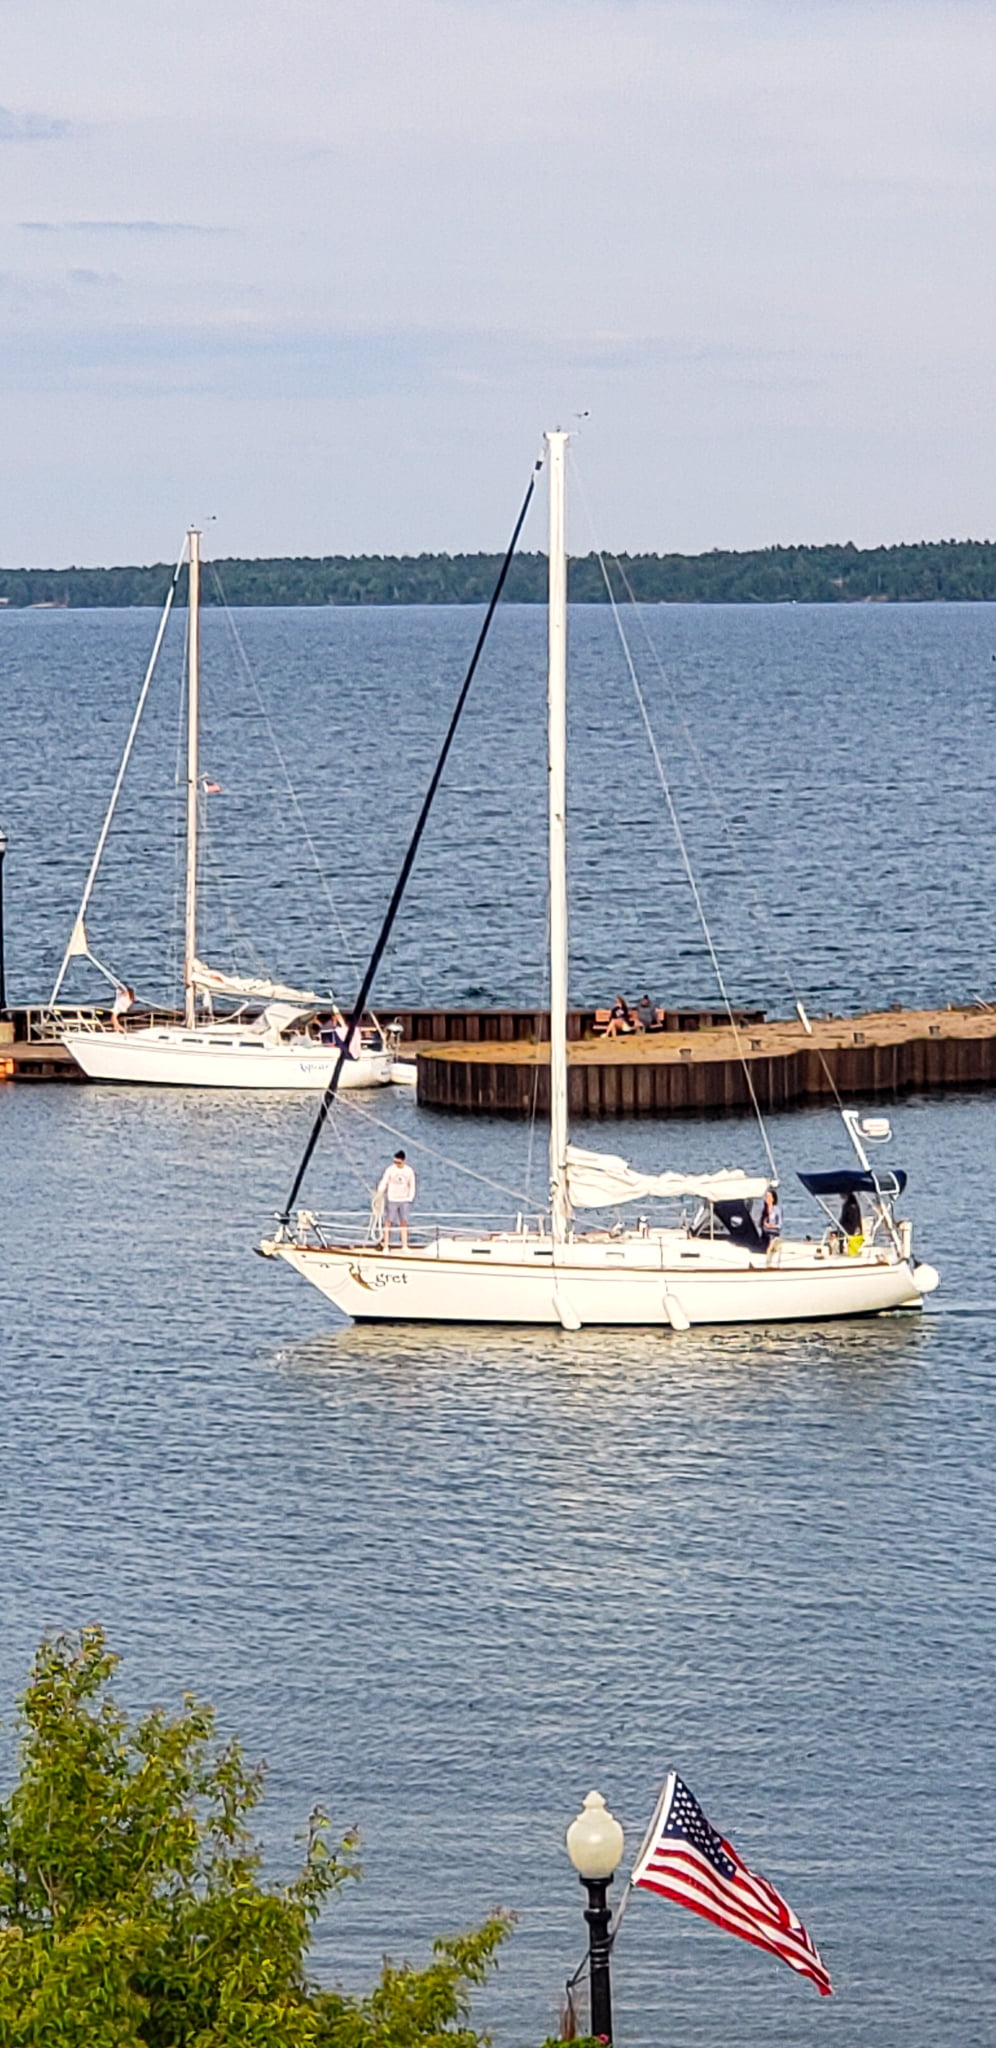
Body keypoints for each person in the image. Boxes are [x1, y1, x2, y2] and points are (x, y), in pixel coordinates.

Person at [378, 1148, 416, 1251]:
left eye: (398, 1162)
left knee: (403, 1222)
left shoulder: (409, 1171)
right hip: (392, 1199)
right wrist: (380, 1191)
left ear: (403, 1160)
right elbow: (385, 1181)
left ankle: (404, 1245)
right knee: (388, 1222)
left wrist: (410, 1198)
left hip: (404, 1199)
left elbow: (412, 1185)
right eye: (395, 1162)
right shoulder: (390, 1169)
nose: (396, 1164)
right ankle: (386, 1245)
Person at [759, 1186, 782, 1262]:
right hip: (765, 1232)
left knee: (771, 1243)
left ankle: (769, 1259)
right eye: (766, 1197)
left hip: (773, 1233)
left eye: (769, 1197)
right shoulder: (764, 1210)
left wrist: (771, 1226)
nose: (767, 1198)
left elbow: (779, 1225)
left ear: (773, 1199)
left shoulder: (777, 1210)